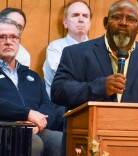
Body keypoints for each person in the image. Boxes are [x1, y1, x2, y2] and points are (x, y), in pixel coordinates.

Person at [51, 1, 138, 155]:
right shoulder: (76, 53)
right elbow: (58, 91)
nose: (123, 23)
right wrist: (100, 87)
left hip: (137, 145)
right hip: (88, 142)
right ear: (105, 22)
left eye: (130, 19)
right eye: (117, 17)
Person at [0, 17, 62, 156]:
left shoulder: (32, 76)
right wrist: (27, 114)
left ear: (19, 41)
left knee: (60, 140)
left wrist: (37, 122)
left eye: (13, 37)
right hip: (4, 128)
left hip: (34, 129)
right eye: (2, 37)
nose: (8, 41)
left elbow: (48, 106)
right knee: (32, 143)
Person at [43, 0, 92, 132]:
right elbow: (65, 82)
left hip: (90, 105)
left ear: (89, 23)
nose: (81, 19)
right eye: (75, 15)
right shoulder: (55, 48)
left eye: (85, 16)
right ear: (65, 23)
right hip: (61, 107)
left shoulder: (97, 50)